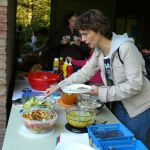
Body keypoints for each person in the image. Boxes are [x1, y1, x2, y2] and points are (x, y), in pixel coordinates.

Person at [45, 9, 150, 146]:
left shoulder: (126, 48)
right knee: (117, 143)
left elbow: (135, 85)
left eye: (85, 34)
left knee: (131, 144)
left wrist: (100, 92)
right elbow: (85, 72)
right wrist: (59, 85)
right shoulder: (99, 51)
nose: (82, 39)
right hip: (120, 103)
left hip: (139, 109)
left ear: (98, 30)